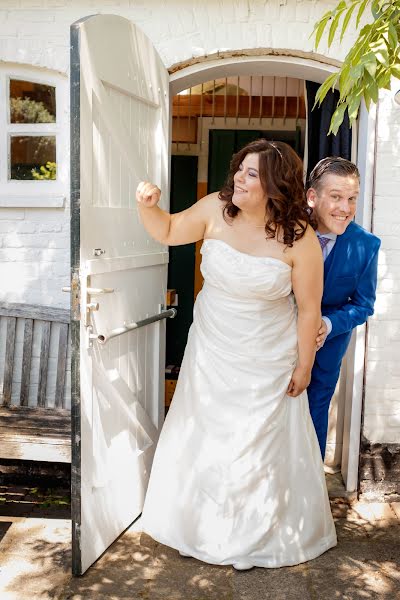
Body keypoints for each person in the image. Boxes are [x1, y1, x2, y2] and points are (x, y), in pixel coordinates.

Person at [136, 139, 337, 570]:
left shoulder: (299, 239)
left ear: (274, 185)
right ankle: (199, 525)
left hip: (268, 356)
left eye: (251, 174)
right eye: (239, 170)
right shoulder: (214, 209)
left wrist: (304, 365)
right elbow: (169, 231)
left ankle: (261, 529)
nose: (239, 180)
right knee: (206, 430)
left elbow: (308, 310)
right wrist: (148, 205)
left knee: (259, 441)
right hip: (212, 346)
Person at [306, 157, 381, 460]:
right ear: (313, 197)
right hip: (278, 340)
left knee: (315, 413)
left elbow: (363, 305)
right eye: (336, 196)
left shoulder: (367, 245)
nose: (345, 208)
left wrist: (328, 322)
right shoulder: (288, 231)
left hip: (328, 348)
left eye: (352, 198)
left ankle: (309, 485)